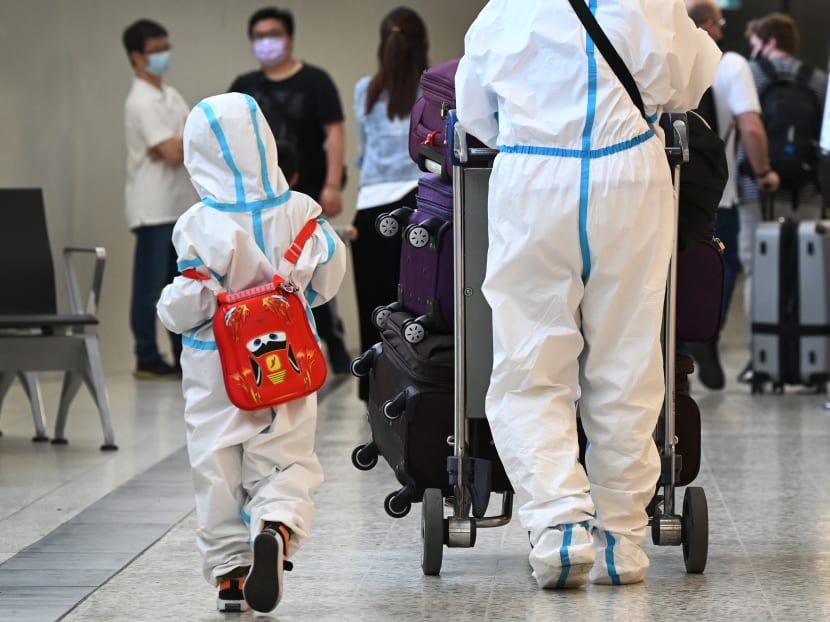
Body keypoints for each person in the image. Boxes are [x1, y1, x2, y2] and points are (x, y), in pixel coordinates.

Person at [455, 0, 720, 588]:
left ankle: (560, 528)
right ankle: (621, 540)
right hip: (630, 175)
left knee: (531, 362)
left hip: (532, 180)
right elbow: (693, 79)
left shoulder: (506, 10)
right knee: (628, 360)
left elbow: (475, 111)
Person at [156, 93, 346, 613]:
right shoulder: (302, 209)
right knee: (285, 454)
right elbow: (327, 280)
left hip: (215, 362)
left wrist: (171, 308)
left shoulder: (197, 222)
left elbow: (188, 302)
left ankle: (230, 575)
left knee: (216, 461)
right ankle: (276, 526)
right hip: (289, 356)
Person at [229, 6, 352, 373]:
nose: (266, 42)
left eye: (273, 34)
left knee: (307, 268)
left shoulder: (315, 81)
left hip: (305, 190)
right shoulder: (245, 86)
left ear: (290, 38)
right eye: (259, 36)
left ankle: (332, 341)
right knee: (262, 272)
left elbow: (334, 133)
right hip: (256, 197)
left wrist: (332, 184)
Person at [682, 0, 780, 390]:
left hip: (664, 190)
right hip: (716, 192)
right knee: (718, 268)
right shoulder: (731, 64)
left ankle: (676, 345)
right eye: (720, 22)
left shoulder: (663, 58)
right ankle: (706, 334)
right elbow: (750, 127)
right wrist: (764, 172)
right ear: (708, 25)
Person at [736, 12, 827, 383]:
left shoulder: (750, 75)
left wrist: (761, 172)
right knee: (810, 272)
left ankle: (763, 359)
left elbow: (747, 128)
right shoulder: (818, 80)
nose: (752, 52)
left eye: (755, 44)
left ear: (769, 41)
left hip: (757, 190)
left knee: (757, 270)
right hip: (807, 189)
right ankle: (811, 359)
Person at [352, 7, 428, 401]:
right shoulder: (433, 88)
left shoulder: (365, 90)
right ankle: (419, 386)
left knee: (374, 306)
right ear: (422, 44)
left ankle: (372, 388)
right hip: (420, 206)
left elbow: (364, 150)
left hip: (370, 210)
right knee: (418, 307)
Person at [122, 19, 196, 378]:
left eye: (165, 47)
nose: (162, 55)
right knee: (150, 287)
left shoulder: (171, 94)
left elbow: (194, 138)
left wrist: (178, 142)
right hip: (152, 208)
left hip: (178, 205)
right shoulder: (140, 101)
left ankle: (182, 352)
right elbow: (174, 153)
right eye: (154, 51)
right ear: (136, 57)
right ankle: (146, 355)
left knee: (178, 284)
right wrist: (178, 143)